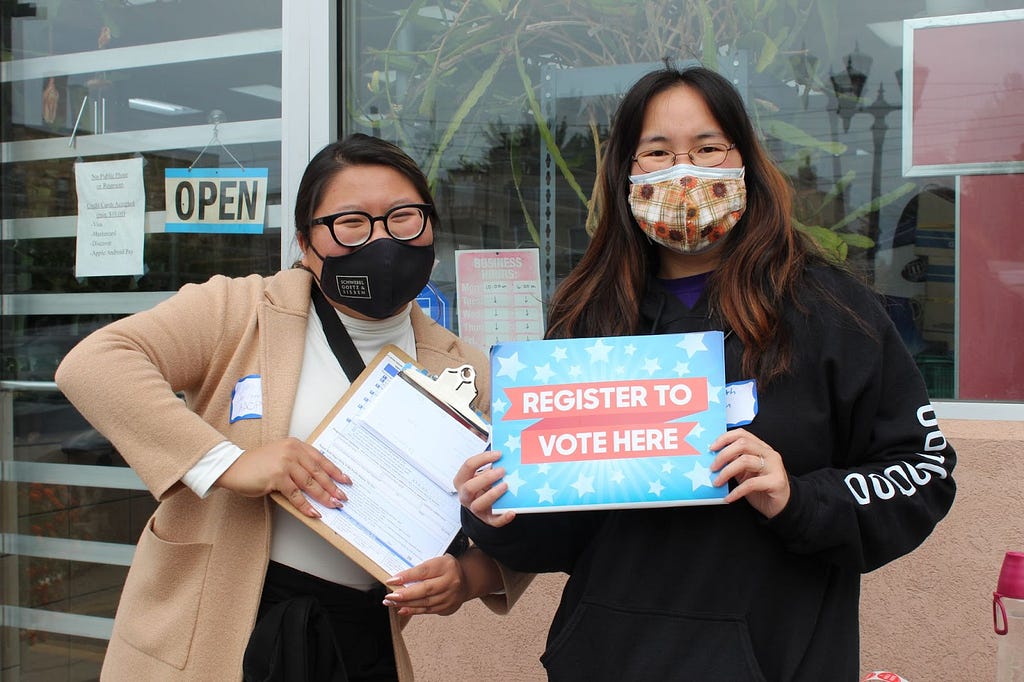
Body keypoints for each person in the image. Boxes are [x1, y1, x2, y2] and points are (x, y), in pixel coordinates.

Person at [456, 66, 956, 681]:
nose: (683, 172)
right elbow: (563, 534)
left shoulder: (831, 310)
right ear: (627, 173)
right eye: (657, 152)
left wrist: (798, 497)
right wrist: (497, 512)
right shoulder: (589, 319)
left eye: (707, 148)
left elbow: (923, 474)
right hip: (607, 659)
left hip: (778, 661)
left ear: (744, 160)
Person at [55, 134, 529, 681]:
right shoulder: (237, 311)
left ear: (430, 229)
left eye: (403, 216)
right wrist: (227, 461)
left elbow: (519, 509)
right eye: (351, 222)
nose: (382, 238)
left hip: (358, 637)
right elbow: (95, 363)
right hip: (215, 626)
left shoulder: (469, 371)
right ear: (306, 243)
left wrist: (469, 576)